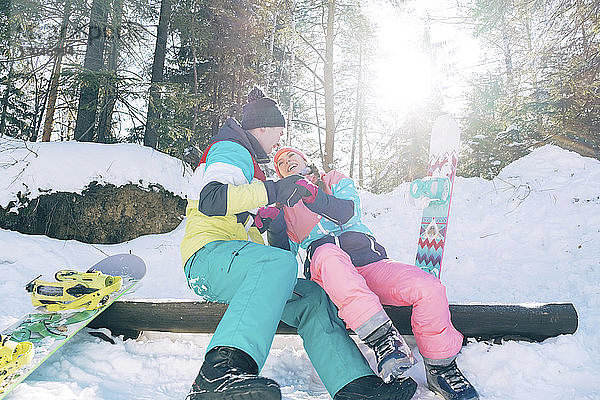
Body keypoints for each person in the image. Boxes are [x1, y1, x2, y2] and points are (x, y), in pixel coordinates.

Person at [180, 87, 418, 400]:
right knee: (279, 264)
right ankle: (218, 376)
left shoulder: (250, 165)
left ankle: (356, 387)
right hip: (208, 257)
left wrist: (269, 221)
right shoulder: (231, 146)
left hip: (237, 263)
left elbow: (270, 254)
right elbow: (211, 200)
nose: (279, 141)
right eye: (278, 133)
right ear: (262, 128)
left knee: (313, 297)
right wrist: (272, 192)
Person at [254, 146, 479, 400]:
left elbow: (346, 212)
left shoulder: (333, 179)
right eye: (280, 163)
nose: (287, 162)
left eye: (291, 156)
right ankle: (385, 341)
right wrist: (274, 226)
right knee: (328, 253)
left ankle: (441, 368)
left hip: (370, 264)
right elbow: (285, 254)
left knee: (429, 288)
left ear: (304, 159)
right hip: (330, 275)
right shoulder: (287, 208)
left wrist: (313, 195)